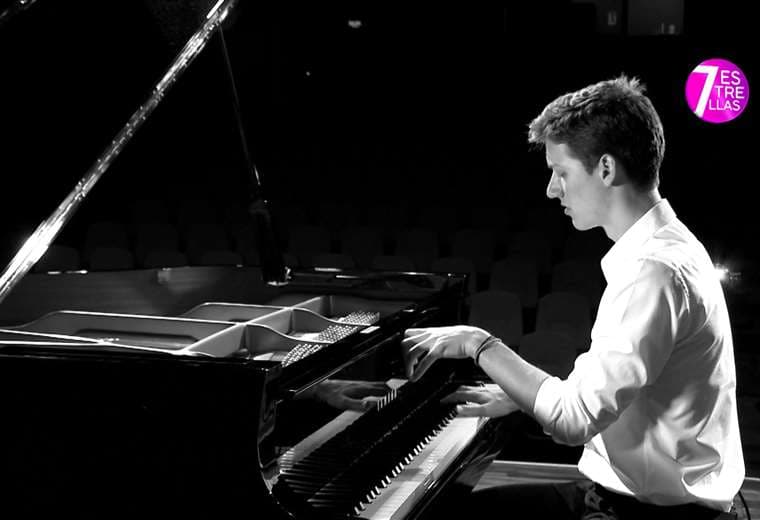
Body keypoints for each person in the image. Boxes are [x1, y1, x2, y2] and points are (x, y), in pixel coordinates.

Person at [402, 75, 744, 519]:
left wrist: (477, 342)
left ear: (606, 169)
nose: (551, 188)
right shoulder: (670, 246)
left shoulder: (653, 271)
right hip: (646, 500)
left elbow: (573, 420)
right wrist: (519, 397)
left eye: (561, 172)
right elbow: (615, 391)